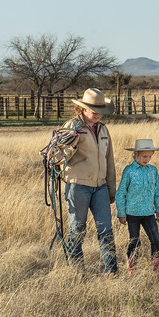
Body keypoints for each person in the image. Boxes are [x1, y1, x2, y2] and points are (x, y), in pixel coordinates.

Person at [58, 88, 118, 278]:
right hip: (78, 185)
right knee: (78, 228)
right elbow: (56, 157)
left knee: (105, 229)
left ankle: (112, 272)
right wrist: (71, 146)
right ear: (82, 109)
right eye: (93, 110)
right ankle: (76, 271)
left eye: (100, 110)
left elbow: (109, 160)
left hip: (100, 186)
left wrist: (111, 188)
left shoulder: (103, 129)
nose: (97, 114)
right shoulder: (72, 126)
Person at [115, 139, 159, 275]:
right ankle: (132, 269)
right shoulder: (129, 171)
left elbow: (157, 191)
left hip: (148, 212)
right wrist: (121, 213)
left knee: (156, 240)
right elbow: (121, 192)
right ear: (136, 154)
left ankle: (158, 271)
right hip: (132, 213)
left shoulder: (153, 170)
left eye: (149, 156)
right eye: (144, 156)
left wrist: (158, 209)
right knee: (135, 241)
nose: (147, 159)